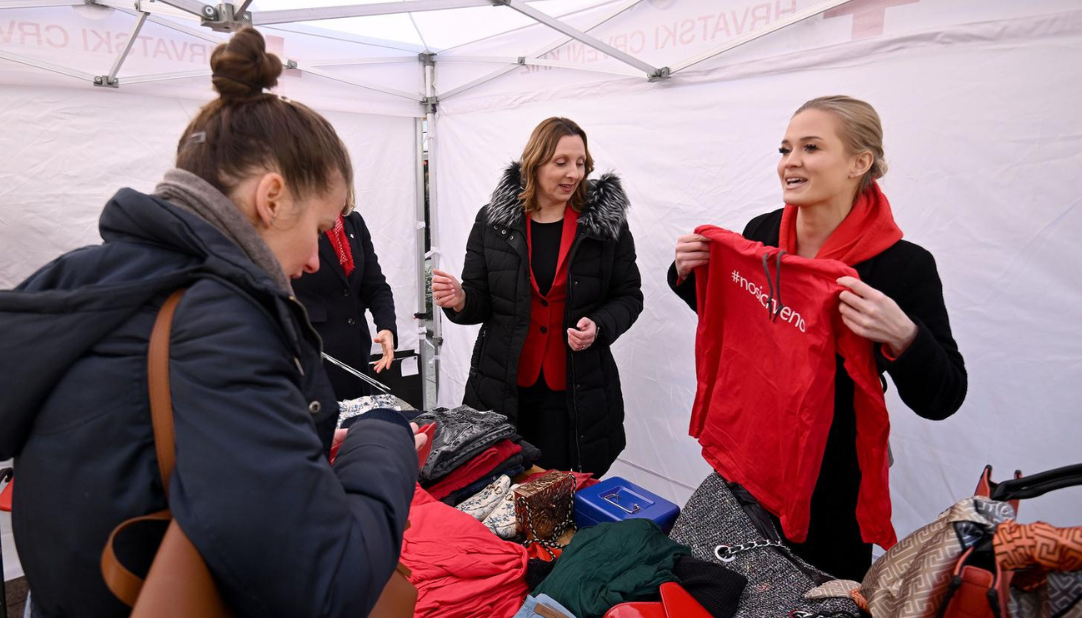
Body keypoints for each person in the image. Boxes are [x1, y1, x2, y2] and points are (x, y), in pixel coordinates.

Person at [0, 28, 424, 618]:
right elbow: (324, 586)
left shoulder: (94, 277)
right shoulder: (221, 320)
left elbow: (141, 447)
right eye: (319, 229)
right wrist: (384, 438)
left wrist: (288, 443)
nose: (317, 260)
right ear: (271, 197)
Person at [668, 95, 967, 581]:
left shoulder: (901, 266)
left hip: (830, 486)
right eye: (785, 149)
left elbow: (945, 396)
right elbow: (745, 325)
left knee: (815, 598)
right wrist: (688, 274)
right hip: (749, 456)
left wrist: (905, 336)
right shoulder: (761, 236)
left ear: (859, 162)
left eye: (810, 147)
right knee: (732, 589)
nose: (791, 162)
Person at [433, 117, 643, 476]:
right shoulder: (492, 221)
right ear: (535, 162)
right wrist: (461, 299)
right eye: (561, 162)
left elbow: (629, 296)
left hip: (576, 389)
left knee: (563, 489)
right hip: (503, 386)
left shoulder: (606, 226)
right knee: (500, 483)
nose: (573, 173)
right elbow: (481, 299)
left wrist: (600, 326)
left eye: (580, 163)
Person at [292, 194, 398, 401]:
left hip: (355, 352)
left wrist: (386, 326)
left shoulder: (353, 222)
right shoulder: (294, 225)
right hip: (316, 354)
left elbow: (375, 285)